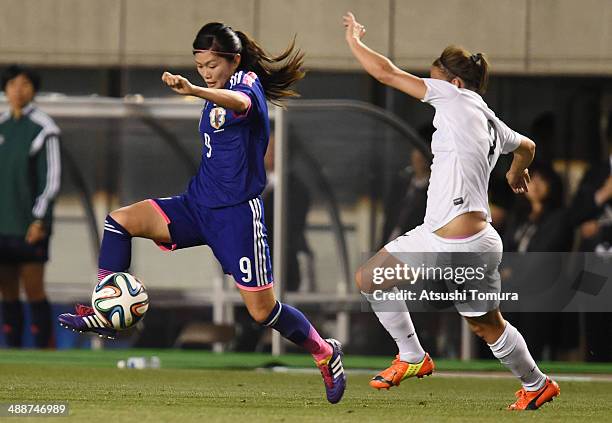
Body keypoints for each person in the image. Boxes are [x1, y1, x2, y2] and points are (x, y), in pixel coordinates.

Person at [58, 23, 345, 403]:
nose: (205, 72)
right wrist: (200, 90)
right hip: (197, 205)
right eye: (200, 66)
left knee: (262, 312)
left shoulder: (247, 84)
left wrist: (194, 90)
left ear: (234, 60)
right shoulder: (217, 89)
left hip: (236, 216)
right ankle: (105, 308)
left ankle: (325, 352)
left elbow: (242, 104)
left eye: (211, 65)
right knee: (120, 220)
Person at [343, 12, 559, 410]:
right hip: (472, 239)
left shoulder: (453, 97)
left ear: (455, 83)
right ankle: (536, 383)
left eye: (433, 79)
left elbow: (386, 74)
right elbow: (526, 145)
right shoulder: (491, 120)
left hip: (449, 239)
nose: (428, 87)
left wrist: (355, 41)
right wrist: (516, 170)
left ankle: (412, 356)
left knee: (371, 278)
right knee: (486, 325)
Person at [0, 65, 61, 348]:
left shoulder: (43, 128)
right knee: (7, 290)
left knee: (33, 288)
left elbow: (51, 180)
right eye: (13, 84)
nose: (18, 90)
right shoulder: (2, 125)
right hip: (3, 223)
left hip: (29, 225)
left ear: (33, 90)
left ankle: (44, 347)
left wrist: (39, 220)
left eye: (25, 84)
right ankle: (12, 347)